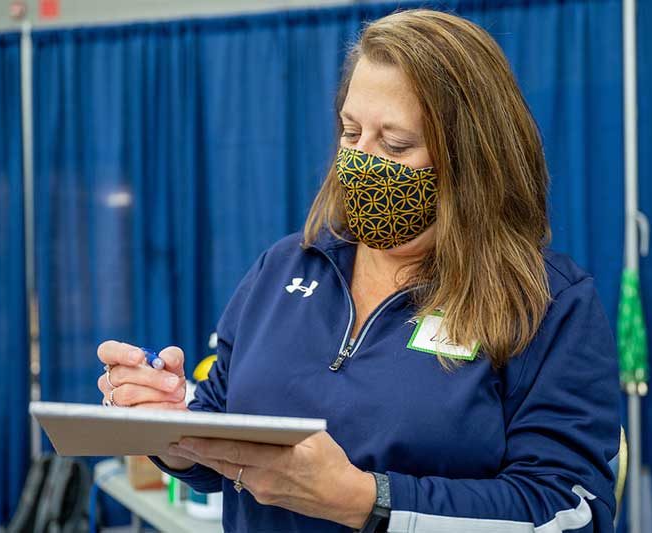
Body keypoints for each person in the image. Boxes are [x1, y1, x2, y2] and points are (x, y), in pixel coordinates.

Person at [96, 9, 620, 533]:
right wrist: (172, 424)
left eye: (395, 145)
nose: (362, 162)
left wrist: (365, 500)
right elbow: (224, 435)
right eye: (351, 133)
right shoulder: (285, 267)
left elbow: (570, 511)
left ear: (471, 157)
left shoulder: (548, 303)